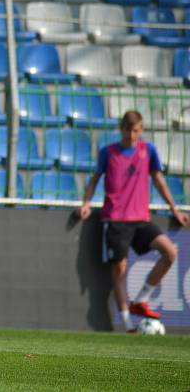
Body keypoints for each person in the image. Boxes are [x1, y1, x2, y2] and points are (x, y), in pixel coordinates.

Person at [78, 110, 188, 332]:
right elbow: (95, 180)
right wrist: (86, 203)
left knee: (170, 252)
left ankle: (141, 299)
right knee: (119, 270)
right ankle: (128, 325)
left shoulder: (147, 151)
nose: (131, 135)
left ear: (141, 129)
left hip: (140, 219)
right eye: (128, 130)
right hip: (116, 219)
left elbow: (158, 180)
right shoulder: (108, 153)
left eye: (136, 130)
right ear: (121, 129)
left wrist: (174, 209)